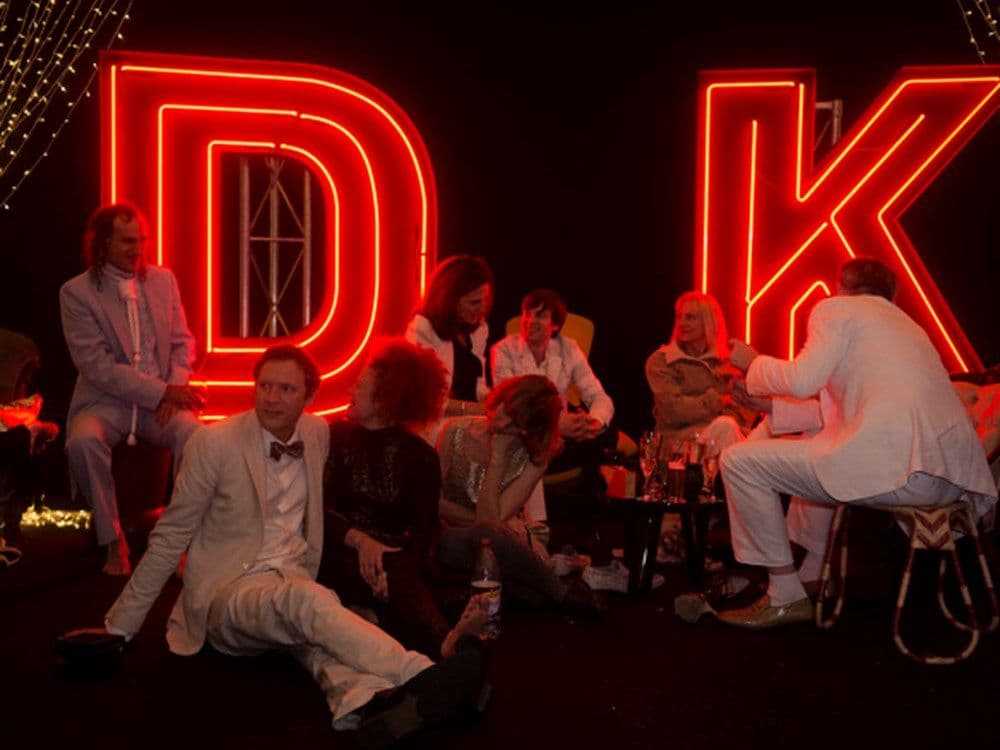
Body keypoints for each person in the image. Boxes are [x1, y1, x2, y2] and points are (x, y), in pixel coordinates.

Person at [80, 345, 484, 745]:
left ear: (309, 398)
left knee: (317, 642)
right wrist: (120, 627)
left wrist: (362, 542)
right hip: (230, 591)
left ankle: (366, 705)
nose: (272, 398)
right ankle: (424, 675)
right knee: (309, 604)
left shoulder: (317, 433)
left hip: (293, 576)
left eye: (286, 390)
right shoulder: (214, 443)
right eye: (265, 386)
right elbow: (170, 536)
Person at [716, 258, 998, 629]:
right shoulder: (910, 328)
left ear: (841, 286)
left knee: (739, 461)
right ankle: (816, 575)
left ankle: (784, 594)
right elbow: (851, 413)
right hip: (950, 482)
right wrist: (771, 407)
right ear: (891, 296)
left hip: (899, 474)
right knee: (822, 441)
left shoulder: (837, 309)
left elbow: (802, 380)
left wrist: (754, 364)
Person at [319, 337, 488, 659]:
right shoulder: (335, 437)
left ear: (385, 398)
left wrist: (390, 569)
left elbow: (424, 537)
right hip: (338, 551)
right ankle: (442, 641)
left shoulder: (421, 457)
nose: (349, 392)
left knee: (404, 575)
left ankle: (422, 631)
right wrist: (359, 542)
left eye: (358, 385)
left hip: (394, 563)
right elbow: (318, 511)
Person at [60, 202, 205, 575]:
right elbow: (98, 368)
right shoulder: (76, 293)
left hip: (161, 404)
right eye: (127, 241)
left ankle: (175, 544)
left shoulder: (163, 280)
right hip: (105, 403)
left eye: (141, 240)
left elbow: (181, 342)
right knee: (82, 441)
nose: (138, 249)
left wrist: (174, 384)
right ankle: (112, 540)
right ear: (103, 243)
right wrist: (162, 391)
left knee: (197, 438)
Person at [436, 374, 601, 613]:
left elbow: (490, 524)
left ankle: (527, 588)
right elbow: (436, 504)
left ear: (528, 431)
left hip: (499, 542)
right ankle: (558, 591)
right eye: (504, 411)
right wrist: (495, 526)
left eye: (514, 425)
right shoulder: (455, 432)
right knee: (487, 536)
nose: (501, 424)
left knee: (492, 538)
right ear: (501, 398)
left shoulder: (532, 459)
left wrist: (498, 459)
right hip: (452, 537)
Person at [491, 289, 616, 577]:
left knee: (597, 437)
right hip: (522, 431)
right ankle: (539, 539)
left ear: (555, 325)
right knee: (534, 442)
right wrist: (558, 424)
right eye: (526, 314)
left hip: (562, 435)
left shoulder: (568, 348)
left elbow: (598, 396)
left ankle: (588, 539)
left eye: (540, 316)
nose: (530, 321)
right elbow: (512, 406)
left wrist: (594, 421)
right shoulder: (504, 349)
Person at [644, 291, 755, 455]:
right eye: (679, 317)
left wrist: (699, 408)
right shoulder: (662, 361)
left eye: (690, 318)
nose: (682, 323)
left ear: (708, 321)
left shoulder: (729, 363)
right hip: (680, 446)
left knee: (750, 436)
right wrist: (718, 401)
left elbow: (745, 412)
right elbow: (674, 412)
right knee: (726, 427)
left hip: (729, 437)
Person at [405, 255, 494, 422]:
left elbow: (478, 386)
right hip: (435, 427)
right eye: (474, 302)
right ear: (449, 300)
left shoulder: (479, 329)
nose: (483, 308)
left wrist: (498, 402)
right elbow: (429, 402)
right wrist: (480, 411)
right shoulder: (422, 329)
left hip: (471, 422)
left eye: (485, 301)